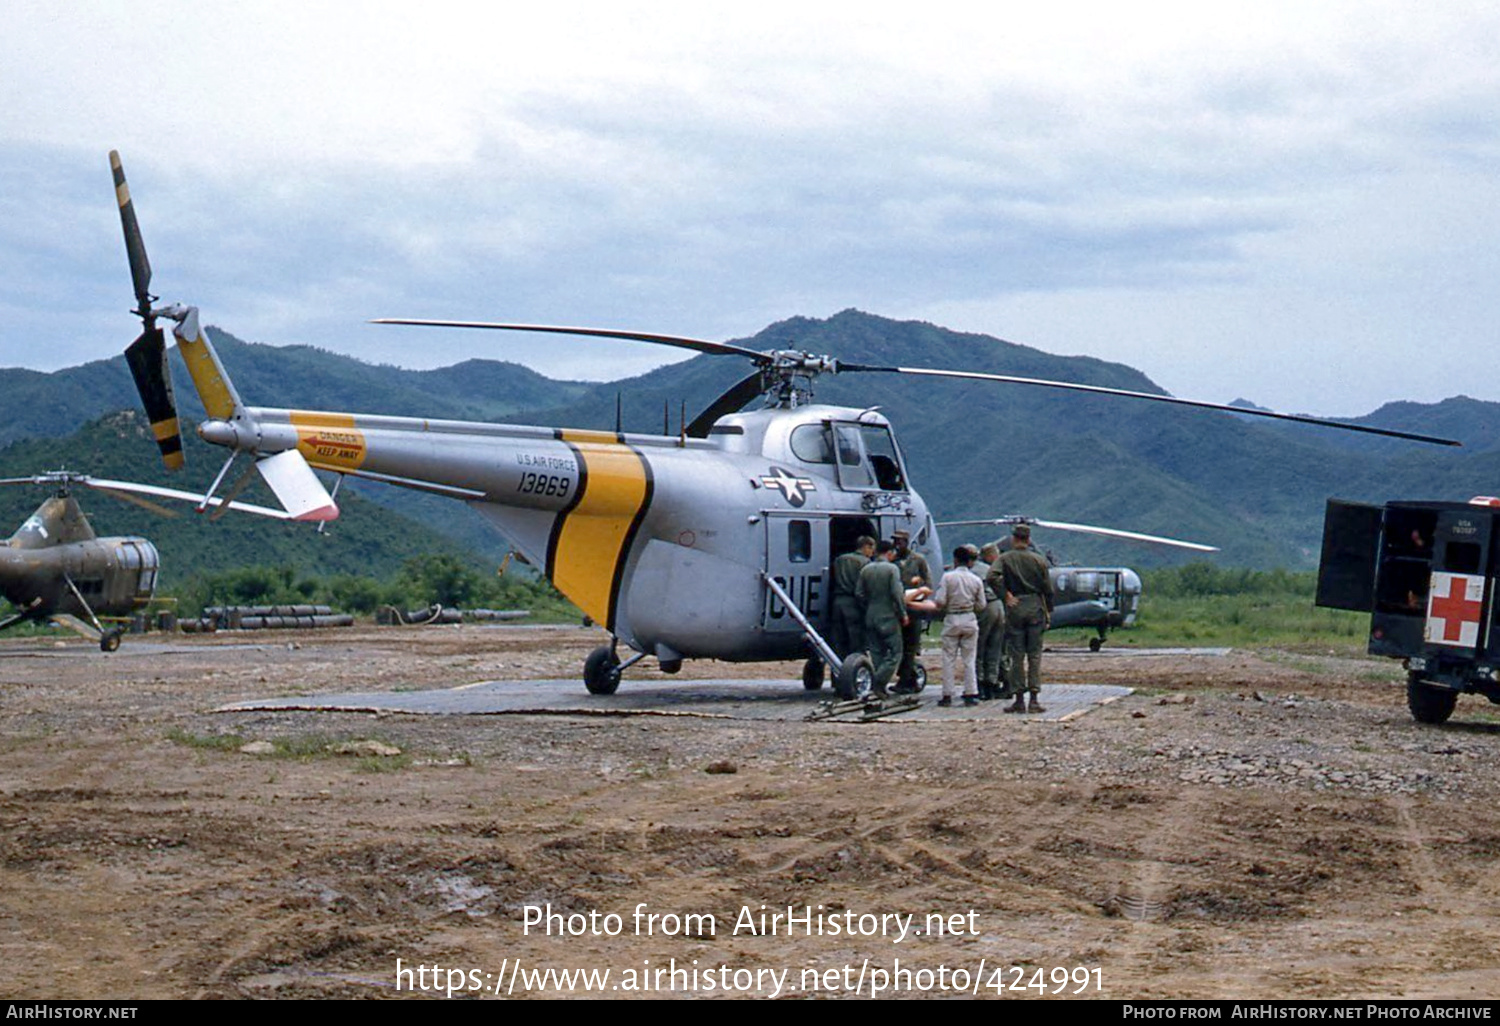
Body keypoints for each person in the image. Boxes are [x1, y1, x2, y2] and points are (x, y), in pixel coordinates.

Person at [912, 546, 986, 707]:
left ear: (955, 560)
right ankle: (971, 692)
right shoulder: (976, 579)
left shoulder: (948, 577)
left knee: (948, 658)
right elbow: (981, 605)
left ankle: (947, 694)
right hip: (969, 618)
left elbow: (940, 601)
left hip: (952, 618)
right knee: (969, 659)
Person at [993, 523, 1054, 714]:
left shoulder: (1004, 558)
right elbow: (1048, 589)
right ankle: (1034, 699)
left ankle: (1018, 699)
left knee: (1016, 655)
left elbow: (992, 576)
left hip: (1016, 607)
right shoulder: (1039, 560)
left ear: (1014, 539)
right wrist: (1049, 610)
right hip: (1035, 606)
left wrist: (1005, 595)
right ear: (1028, 540)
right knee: (1035, 655)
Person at [855, 540, 908, 698]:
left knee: (876, 652)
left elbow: (859, 593)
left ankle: (879, 688)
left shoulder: (866, 569)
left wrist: (868, 607)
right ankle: (878, 681)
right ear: (889, 553)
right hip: (888, 616)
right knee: (895, 653)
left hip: (870, 615)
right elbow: (897, 593)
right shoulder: (892, 569)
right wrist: (903, 612)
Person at [892, 529, 931, 693]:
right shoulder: (892, 561)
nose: (897, 544)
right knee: (900, 645)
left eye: (900, 541)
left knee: (911, 645)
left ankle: (908, 679)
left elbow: (928, 584)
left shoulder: (918, 560)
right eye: (895, 541)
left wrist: (918, 589)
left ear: (906, 542)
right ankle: (906, 676)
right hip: (897, 607)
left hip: (914, 606)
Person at [830, 536, 875, 660]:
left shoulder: (840, 559)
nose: (872, 553)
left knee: (838, 642)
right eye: (871, 549)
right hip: (853, 603)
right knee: (856, 641)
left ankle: (837, 673)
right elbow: (865, 587)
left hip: (838, 602)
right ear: (866, 547)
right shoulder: (865, 563)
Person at [975, 542, 1008, 700]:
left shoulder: (979, 569)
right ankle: (994, 682)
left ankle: (982, 684)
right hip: (1000, 606)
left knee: (980, 648)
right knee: (997, 649)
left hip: (986, 607)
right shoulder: (1001, 569)